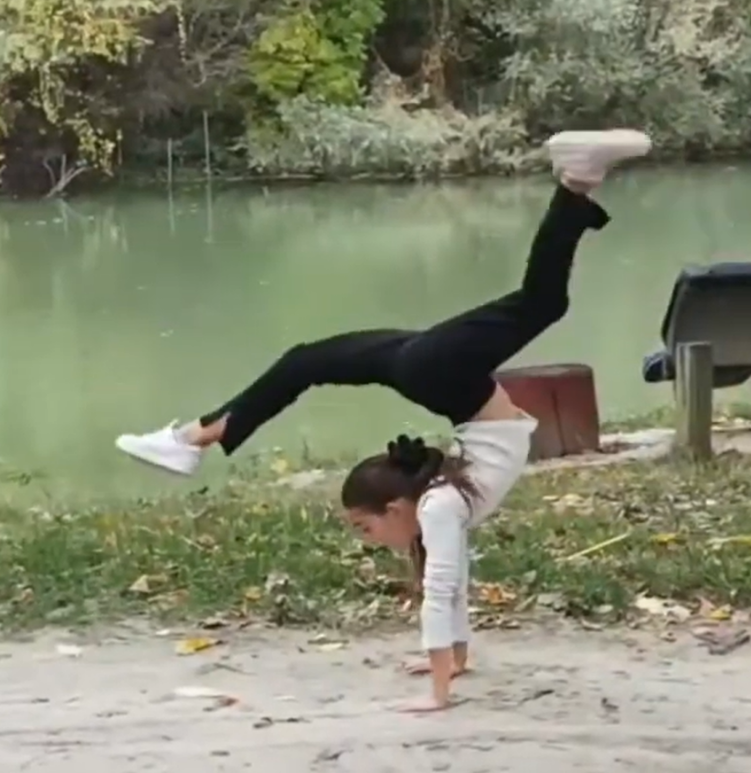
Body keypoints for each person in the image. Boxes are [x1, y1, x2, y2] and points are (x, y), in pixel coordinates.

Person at [116, 128, 652, 711]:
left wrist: (438, 695)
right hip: (433, 373)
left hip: (439, 373)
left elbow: (440, 593)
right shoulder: (440, 507)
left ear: (397, 507)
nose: (368, 541)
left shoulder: (438, 505)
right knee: (307, 361)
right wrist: (454, 661)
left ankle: (577, 178)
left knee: (541, 303)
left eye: (364, 529)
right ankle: (191, 439)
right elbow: (451, 584)